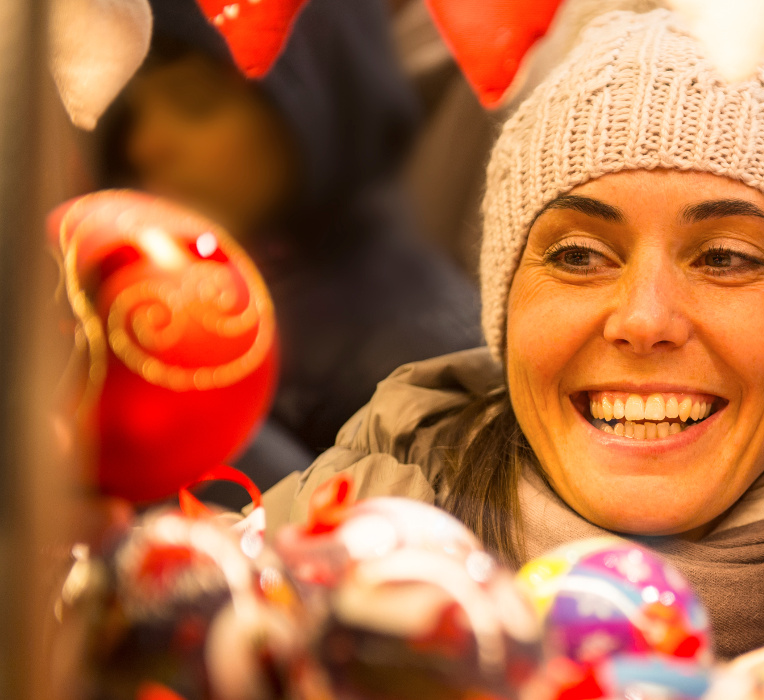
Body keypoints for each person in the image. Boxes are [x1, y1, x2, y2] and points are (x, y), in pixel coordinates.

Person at [257, 6, 764, 659]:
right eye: (578, 256)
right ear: (507, 316)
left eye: (724, 258)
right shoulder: (310, 560)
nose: (643, 320)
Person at [97, 0, 484, 497]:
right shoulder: (184, 276)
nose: (144, 144)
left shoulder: (432, 361)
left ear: (322, 102)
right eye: (136, 106)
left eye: (194, 102)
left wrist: (177, 425)